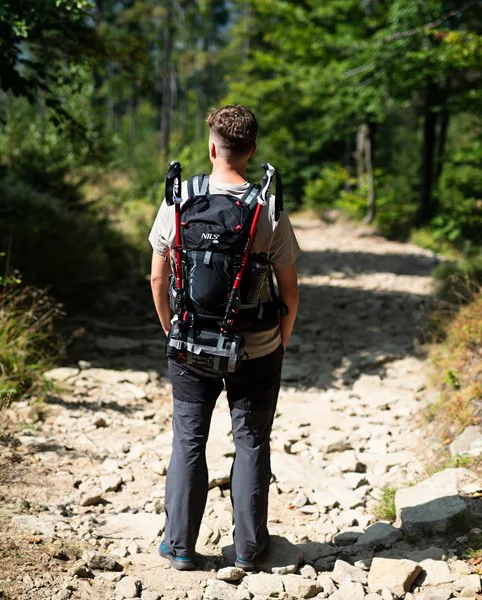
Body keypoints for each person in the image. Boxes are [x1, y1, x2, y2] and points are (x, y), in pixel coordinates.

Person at [148, 104, 300, 571]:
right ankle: (250, 550)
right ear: (251, 151)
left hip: (190, 344)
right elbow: (290, 289)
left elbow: (157, 278)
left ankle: (179, 547)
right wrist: (279, 339)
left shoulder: (179, 200)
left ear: (212, 148)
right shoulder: (267, 209)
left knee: (188, 441)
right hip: (256, 347)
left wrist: (171, 327)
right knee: (251, 441)